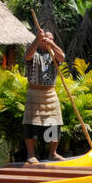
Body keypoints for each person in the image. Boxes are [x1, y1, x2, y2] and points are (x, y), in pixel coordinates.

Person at [23, 29, 67, 163]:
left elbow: (62, 57)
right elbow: (27, 57)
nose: (48, 41)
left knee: (54, 122)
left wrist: (52, 45)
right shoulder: (33, 50)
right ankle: (31, 154)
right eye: (46, 39)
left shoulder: (53, 52)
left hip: (50, 93)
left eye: (51, 39)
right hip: (34, 93)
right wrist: (37, 39)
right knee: (31, 123)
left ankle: (53, 153)